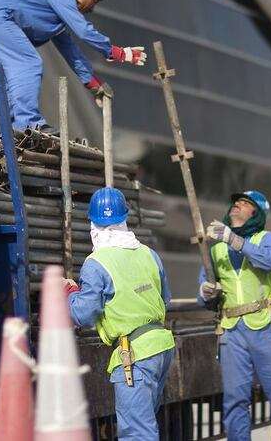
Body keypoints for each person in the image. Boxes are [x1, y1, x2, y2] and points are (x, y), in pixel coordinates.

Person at [0, 0, 147, 130]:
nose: (91, 10)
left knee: (14, 74)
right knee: (28, 63)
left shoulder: (56, 12)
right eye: (92, 3)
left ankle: (11, 128)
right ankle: (27, 124)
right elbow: (84, 31)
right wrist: (117, 53)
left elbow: (71, 51)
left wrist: (91, 82)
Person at [65, 187, 175, 440]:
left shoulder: (96, 263)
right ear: (125, 218)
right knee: (146, 423)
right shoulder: (149, 254)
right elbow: (164, 299)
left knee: (137, 432)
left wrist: (69, 294)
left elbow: (84, 315)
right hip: (161, 347)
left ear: (93, 223)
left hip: (134, 355)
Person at [198, 191, 271, 441]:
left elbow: (269, 261)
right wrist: (205, 293)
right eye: (236, 202)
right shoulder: (215, 250)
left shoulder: (268, 239)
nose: (237, 205)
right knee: (234, 400)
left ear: (257, 213)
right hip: (232, 331)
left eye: (245, 204)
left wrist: (236, 241)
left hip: (265, 326)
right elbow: (204, 292)